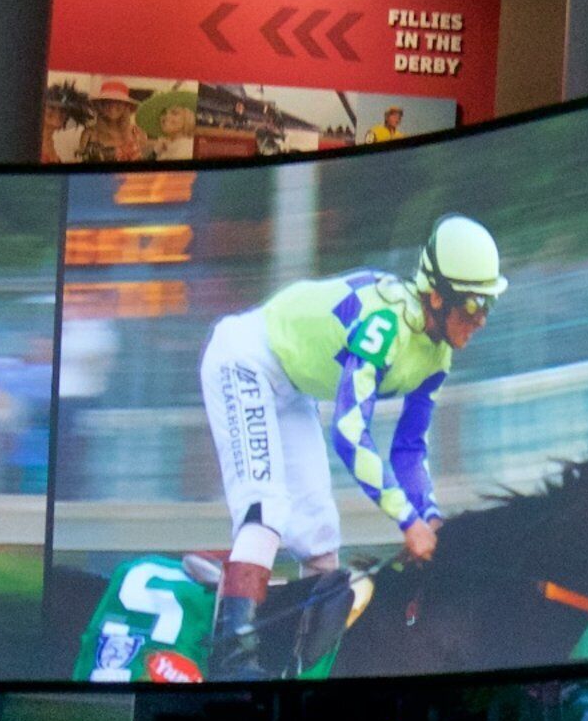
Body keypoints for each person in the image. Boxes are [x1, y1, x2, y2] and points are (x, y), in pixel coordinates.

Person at [197, 213, 508, 672]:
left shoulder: (438, 353)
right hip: (244, 359)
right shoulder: (385, 325)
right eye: (473, 305)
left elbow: (409, 449)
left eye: (489, 305)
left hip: (292, 386)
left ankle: (306, 660)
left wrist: (430, 516)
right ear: (437, 297)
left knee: (322, 536)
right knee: (267, 509)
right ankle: (229, 657)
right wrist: (406, 520)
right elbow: (348, 432)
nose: (481, 319)